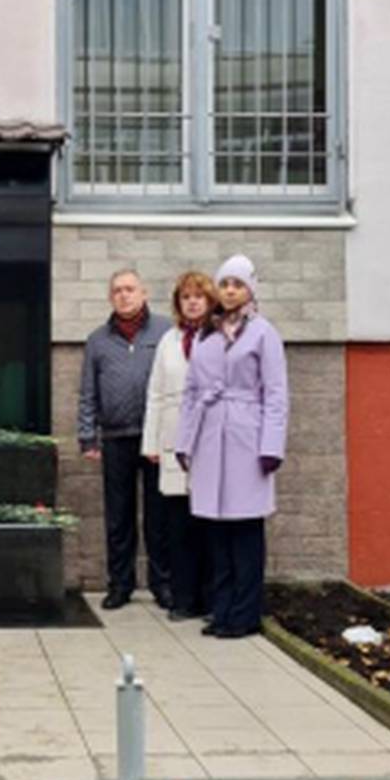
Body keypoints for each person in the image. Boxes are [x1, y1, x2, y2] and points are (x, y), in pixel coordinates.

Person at [176, 254, 289, 639]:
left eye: (237, 284)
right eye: (224, 284)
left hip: (246, 436)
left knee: (244, 530)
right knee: (216, 531)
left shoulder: (263, 333)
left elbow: (275, 393)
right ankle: (221, 610)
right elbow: (191, 392)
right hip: (211, 437)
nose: (229, 291)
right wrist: (184, 441)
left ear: (249, 289)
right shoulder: (206, 335)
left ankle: (245, 614)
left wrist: (271, 445)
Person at [78, 269, 173, 610]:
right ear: (110, 297)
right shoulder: (97, 340)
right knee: (118, 517)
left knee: (158, 517)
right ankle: (120, 585)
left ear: (144, 293)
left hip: (155, 441)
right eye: (117, 290)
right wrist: (88, 436)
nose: (124, 295)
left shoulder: (165, 332)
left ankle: (163, 584)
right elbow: (88, 392)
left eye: (130, 289)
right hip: (116, 439)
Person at [142, 270, 216, 621]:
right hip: (172, 440)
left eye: (198, 296)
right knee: (177, 526)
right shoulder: (169, 341)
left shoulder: (218, 338)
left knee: (208, 526)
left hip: (208, 440)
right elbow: (155, 394)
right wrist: (151, 442)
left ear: (209, 300)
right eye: (185, 297)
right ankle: (182, 599)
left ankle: (209, 599)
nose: (192, 302)